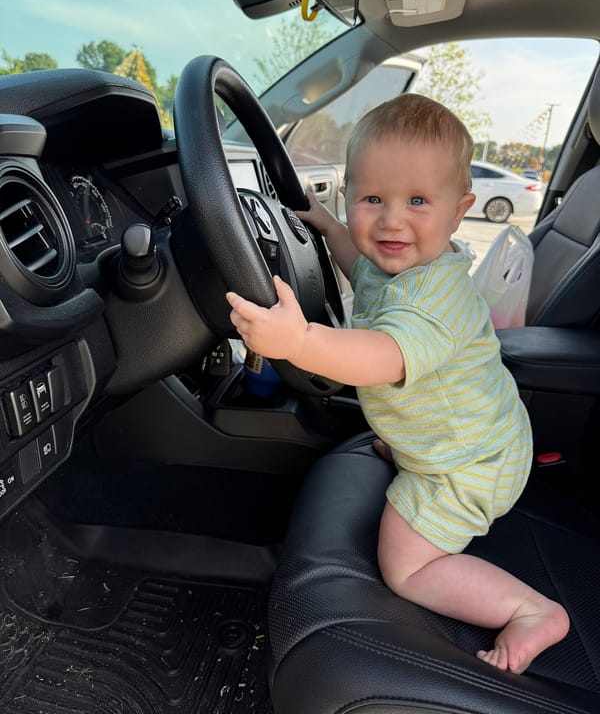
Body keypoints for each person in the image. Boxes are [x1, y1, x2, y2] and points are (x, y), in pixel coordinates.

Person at [226, 93, 569, 673]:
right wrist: (329, 226)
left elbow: (384, 355)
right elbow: (356, 260)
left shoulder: (435, 296)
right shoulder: (397, 260)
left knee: (405, 567)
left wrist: (299, 343)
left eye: (416, 200)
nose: (391, 219)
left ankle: (532, 611)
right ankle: (410, 446)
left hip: (468, 464)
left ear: (459, 211)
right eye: (371, 199)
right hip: (463, 439)